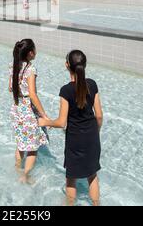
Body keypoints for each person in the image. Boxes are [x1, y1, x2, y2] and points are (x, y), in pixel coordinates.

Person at [39, 50, 103, 206]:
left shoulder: (66, 90)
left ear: (67, 65)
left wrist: (44, 122)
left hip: (75, 140)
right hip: (92, 136)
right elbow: (99, 116)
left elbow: (61, 123)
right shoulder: (92, 84)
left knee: (71, 177)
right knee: (92, 175)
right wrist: (96, 133)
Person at [9, 39, 49, 184]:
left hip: (16, 108)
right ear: (31, 53)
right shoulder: (31, 69)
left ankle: (17, 169)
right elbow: (32, 94)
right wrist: (44, 115)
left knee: (20, 143)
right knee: (32, 147)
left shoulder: (13, 66)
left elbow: (10, 87)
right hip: (27, 110)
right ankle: (25, 176)